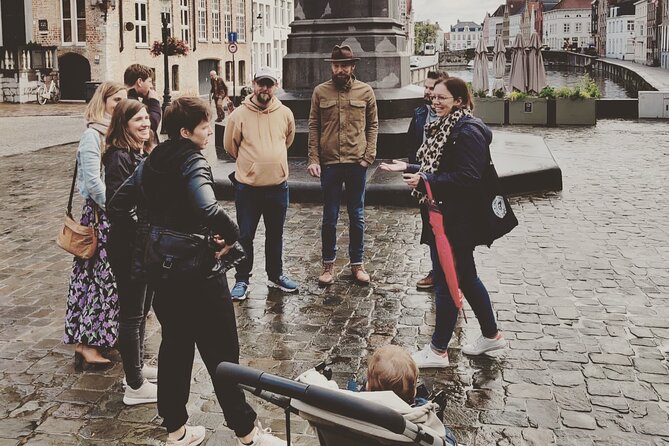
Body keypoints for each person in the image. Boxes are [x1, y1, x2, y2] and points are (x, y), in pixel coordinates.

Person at [108, 97, 286, 446]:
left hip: (163, 274)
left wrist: (151, 235)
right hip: (199, 273)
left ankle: (176, 430)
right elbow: (206, 206)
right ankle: (247, 433)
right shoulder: (193, 161)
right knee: (222, 351)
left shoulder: (152, 159)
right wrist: (234, 235)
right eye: (205, 125)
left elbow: (118, 204)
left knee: (175, 347)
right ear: (186, 131)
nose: (210, 129)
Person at [380, 77, 505, 368]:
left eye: (442, 98)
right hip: (446, 214)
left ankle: (438, 350)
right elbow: (439, 165)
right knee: (465, 277)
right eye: (433, 97)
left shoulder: (468, 131)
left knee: (447, 279)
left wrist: (425, 180)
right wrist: (410, 167)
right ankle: (491, 334)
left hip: (457, 219)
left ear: (459, 101)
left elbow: (467, 177)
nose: (435, 102)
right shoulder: (447, 125)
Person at [64, 82, 127, 369]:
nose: (121, 104)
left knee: (107, 281)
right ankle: (86, 344)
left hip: (112, 216)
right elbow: (93, 182)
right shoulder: (93, 134)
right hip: (101, 217)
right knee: (98, 280)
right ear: (103, 100)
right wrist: (116, 208)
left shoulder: (115, 132)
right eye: (116, 99)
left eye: (125, 99)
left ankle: (99, 337)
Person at [307, 44, 378, 286]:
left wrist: (368, 156)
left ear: (352, 67)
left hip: (356, 163)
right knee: (330, 216)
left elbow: (373, 125)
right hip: (330, 164)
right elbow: (314, 126)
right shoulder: (320, 92)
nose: (340, 69)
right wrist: (314, 159)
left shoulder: (366, 91)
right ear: (332, 67)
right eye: (336, 65)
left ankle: (357, 264)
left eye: (344, 65)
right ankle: (328, 265)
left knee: (357, 216)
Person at [224, 68, 298, 300]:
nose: (264, 89)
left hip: (277, 187)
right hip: (248, 189)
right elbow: (230, 146)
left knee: (275, 234)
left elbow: (288, 140)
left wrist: (271, 161)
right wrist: (252, 164)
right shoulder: (238, 115)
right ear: (253, 84)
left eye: (269, 84)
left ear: (275, 85)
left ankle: (275, 275)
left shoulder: (285, 113)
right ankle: (242, 279)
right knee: (245, 235)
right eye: (260, 83)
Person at [103, 99, 158, 406]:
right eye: (138, 120)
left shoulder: (136, 152)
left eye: (146, 119)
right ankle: (134, 386)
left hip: (142, 243)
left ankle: (135, 368)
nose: (145, 123)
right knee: (132, 313)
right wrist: (143, 228)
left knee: (141, 311)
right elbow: (119, 206)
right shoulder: (118, 157)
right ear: (123, 124)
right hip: (129, 245)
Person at [366, 345, 458, 445]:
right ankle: (434, 406)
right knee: (424, 402)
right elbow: (448, 441)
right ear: (413, 391)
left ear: (368, 387)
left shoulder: (356, 406)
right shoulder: (418, 416)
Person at [407, 71, 449, 290]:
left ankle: (453, 275)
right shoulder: (420, 113)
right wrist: (412, 168)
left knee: (446, 233)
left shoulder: (451, 119)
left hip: (444, 184)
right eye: (426, 87)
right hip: (424, 182)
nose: (427, 91)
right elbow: (413, 144)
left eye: (432, 88)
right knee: (431, 230)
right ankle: (436, 271)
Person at [124, 64, 162, 138]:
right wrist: (154, 102)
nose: (151, 86)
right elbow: (151, 124)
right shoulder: (131, 102)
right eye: (150, 81)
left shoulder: (126, 97)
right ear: (140, 81)